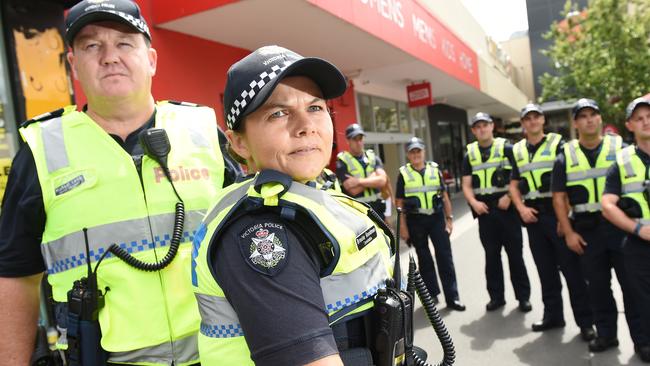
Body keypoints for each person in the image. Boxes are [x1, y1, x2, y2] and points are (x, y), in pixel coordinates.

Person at [0, 1, 240, 364]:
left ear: (152, 59)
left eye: (125, 43)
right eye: (92, 45)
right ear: (73, 65)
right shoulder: (41, 151)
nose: (110, 56)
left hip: (220, 356)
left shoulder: (204, 133)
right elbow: (15, 277)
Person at [192, 45, 397, 365]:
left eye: (315, 107)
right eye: (278, 112)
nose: (306, 125)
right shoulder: (263, 232)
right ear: (239, 142)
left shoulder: (309, 192)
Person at [552, 98, 646, 353]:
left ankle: (642, 340)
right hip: (586, 232)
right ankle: (606, 335)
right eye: (583, 116)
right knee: (597, 288)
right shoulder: (565, 157)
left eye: (594, 114)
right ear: (575, 123)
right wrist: (569, 232)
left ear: (600, 119)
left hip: (621, 230)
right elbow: (559, 198)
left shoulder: (622, 149)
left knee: (632, 287)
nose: (589, 119)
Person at [509, 104, 595, 338]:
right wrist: (521, 208)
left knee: (572, 272)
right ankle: (553, 317)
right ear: (523, 124)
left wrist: (564, 217)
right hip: (533, 219)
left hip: (557, 216)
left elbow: (566, 182)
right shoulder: (517, 150)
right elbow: (513, 185)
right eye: (527, 118)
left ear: (543, 120)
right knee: (545, 272)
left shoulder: (559, 144)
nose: (532, 121)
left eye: (536, 117)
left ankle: (586, 323)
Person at [461, 112, 532, 312]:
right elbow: (466, 184)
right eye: (477, 126)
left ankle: (523, 298)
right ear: (474, 131)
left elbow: (520, 177)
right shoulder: (470, 154)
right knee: (491, 258)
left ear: (492, 126)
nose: (482, 129)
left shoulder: (507, 148)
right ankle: (497, 298)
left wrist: (509, 196)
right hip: (485, 213)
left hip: (508, 211)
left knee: (515, 256)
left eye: (485, 125)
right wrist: (474, 202)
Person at [601, 96, 650, 362]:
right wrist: (637, 229)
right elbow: (607, 204)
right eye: (639, 119)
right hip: (639, 245)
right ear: (630, 125)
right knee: (641, 301)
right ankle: (644, 344)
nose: (646, 122)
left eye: (649, 117)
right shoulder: (621, 161)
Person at [396, 137, 465, 311]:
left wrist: (449, 219)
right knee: (424, 259)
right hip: (415, 221)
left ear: (423, 151)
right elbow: (399, 202)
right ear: (408, 154)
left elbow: (445, 196)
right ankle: (432, 295)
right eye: (412, 152)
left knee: (445, 257)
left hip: (436, 219)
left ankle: (452, 297)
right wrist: (403, 227)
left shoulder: (435, 170)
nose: (416, 154)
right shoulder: (403, 174)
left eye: (418, 151)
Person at [336, 123, 388, 220]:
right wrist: (372, 179)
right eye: (355, 139)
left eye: (360, 138)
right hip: (358, 213)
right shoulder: (342, 161)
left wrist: (358, 181)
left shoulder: (373, 157)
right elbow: (352, 190)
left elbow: (382, 181)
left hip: (378, 211)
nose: (358, 142)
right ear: (348, 141)